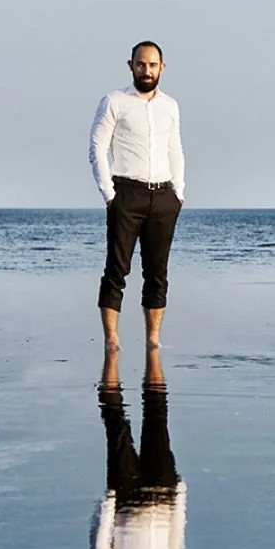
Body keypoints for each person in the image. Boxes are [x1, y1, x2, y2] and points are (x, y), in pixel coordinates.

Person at [89, 40, 186, 351]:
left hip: (163, 195)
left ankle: (153, 340)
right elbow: (97, 148)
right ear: (131, 65)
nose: (147, 70)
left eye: (152, 65)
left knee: (157, 273)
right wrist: (109, 194)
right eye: (141, 64)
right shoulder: (114, 101)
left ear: (162, 68)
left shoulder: (170, 106)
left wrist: (178, 193)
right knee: (117, 270)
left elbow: (175, 150)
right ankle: (112, 340)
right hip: (126, 194)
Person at [91, 347, 186, 549]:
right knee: (157, 416)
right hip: (161, 495)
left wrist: (108, 502)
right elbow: (176, 544)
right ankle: (142, 359)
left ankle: (117, 367)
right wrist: (180, 498)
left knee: (116, 424)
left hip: (127, 499)